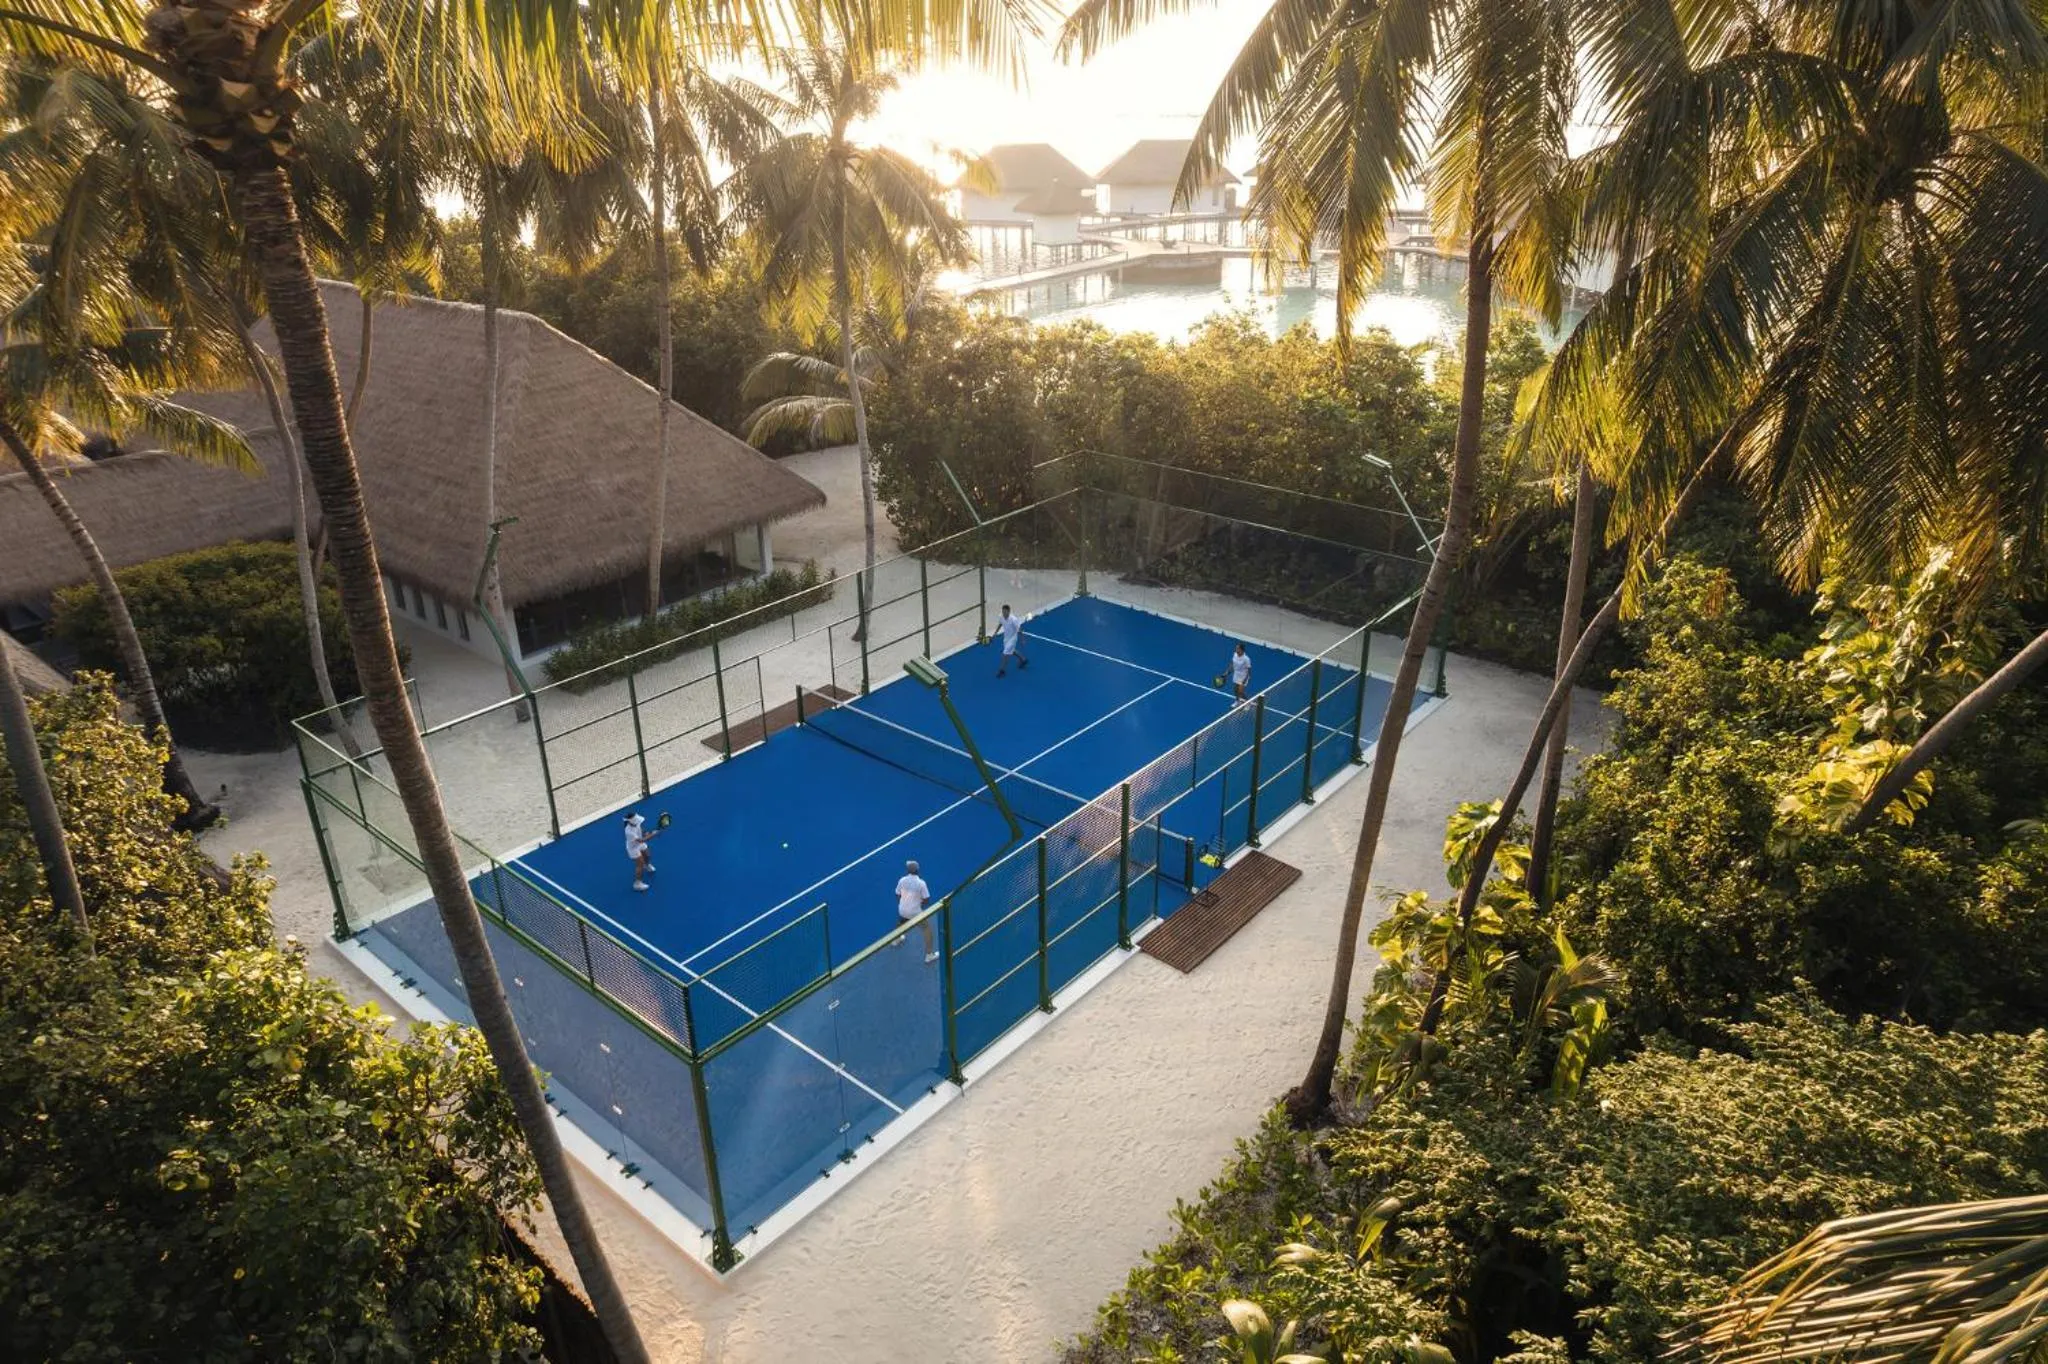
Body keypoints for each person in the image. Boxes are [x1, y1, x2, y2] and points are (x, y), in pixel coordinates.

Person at [894, 859, 935, 962]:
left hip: (902, 910)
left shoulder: (902, 880)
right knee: (927, 929)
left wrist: (903, 904)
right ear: (918, 871)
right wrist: (919, 904)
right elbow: (926, 899)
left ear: (908, 871)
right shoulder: (921, 883)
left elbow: (897, 894)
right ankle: (929, 955)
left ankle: (897, 939)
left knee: (900, 922)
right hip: (915, 912)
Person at [624, 811, 659, 892]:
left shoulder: (636, 823)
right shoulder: (628, 831)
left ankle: (647, 866)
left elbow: (641, 830)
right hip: (633, 848)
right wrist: (653, 834)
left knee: (648, 855)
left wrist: (646, 832)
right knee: (640, 865)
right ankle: (637, 884)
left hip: (639, 844)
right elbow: (642, 840)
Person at [995, 603, 1030, 677]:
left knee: (1005, 654)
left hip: (1013, 639)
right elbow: (1000, 624)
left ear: (1008, 611)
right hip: (1006, 638)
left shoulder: (1014, 619)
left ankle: (1002, 670)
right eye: (1003, 611)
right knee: (1012, 651)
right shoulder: (1001, 616)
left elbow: (1019, 629)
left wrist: (1022, 639)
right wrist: (995, 633)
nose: (1003, 613)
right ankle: (1023, 659)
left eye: (1005, 612)